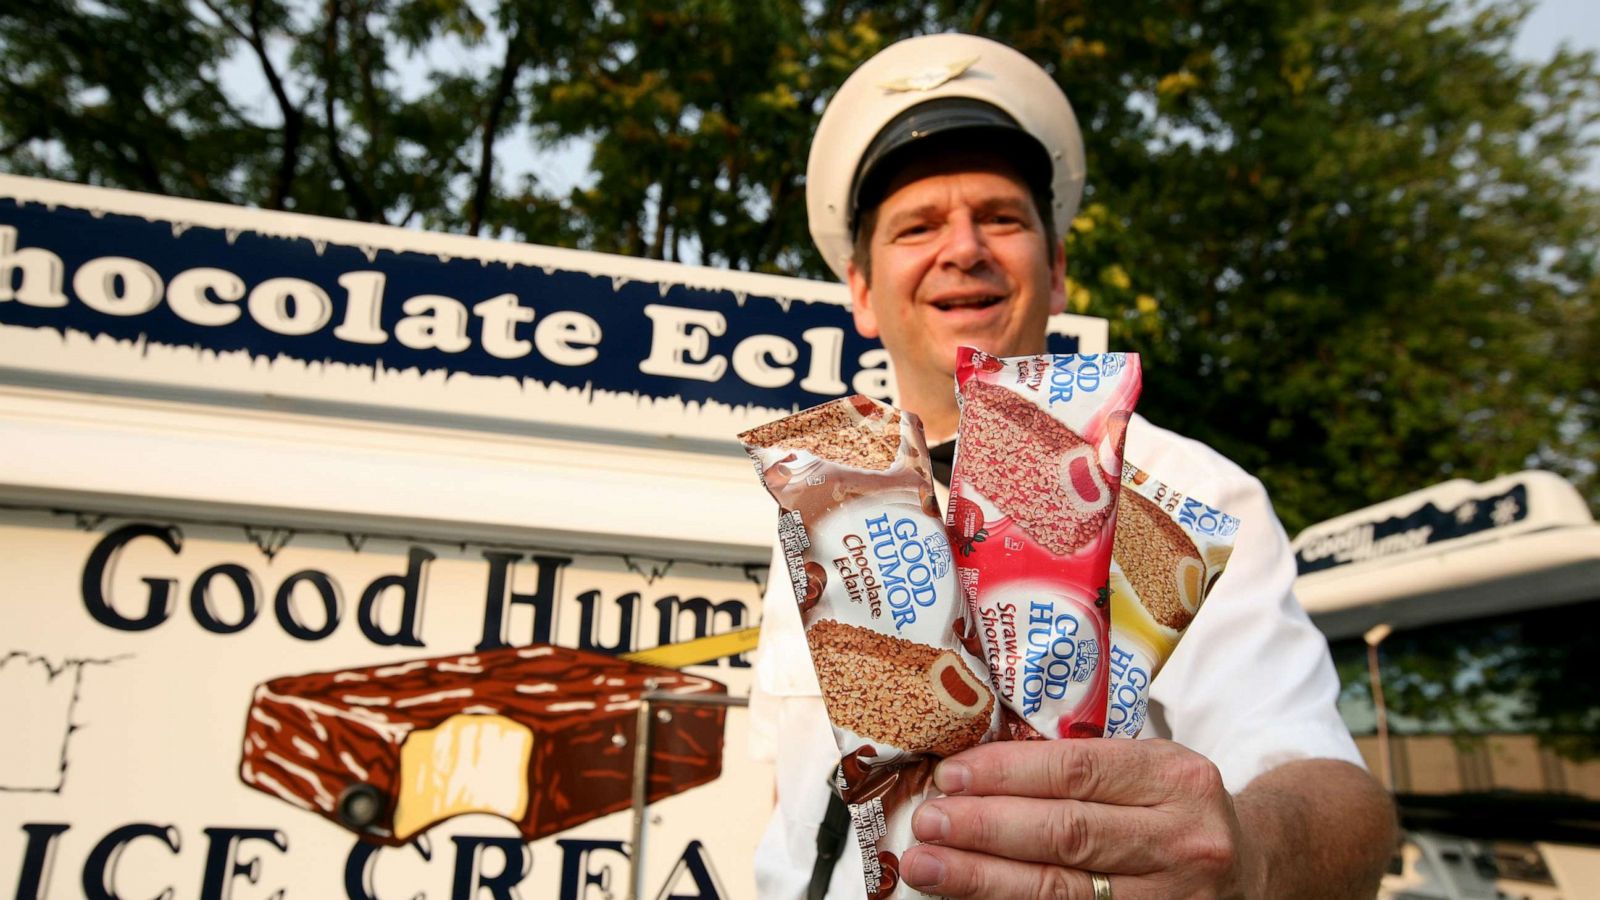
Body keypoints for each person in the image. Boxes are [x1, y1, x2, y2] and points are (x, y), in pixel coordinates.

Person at [747, 32, 1398, 900]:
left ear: (1054, 273)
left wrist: (1257, 855)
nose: (965, 248)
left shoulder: (1188, 486)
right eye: (918, 227)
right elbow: (795, 798)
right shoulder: (822, 498)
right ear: (862, 291)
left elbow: (1329, 784)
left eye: (1003, 218)